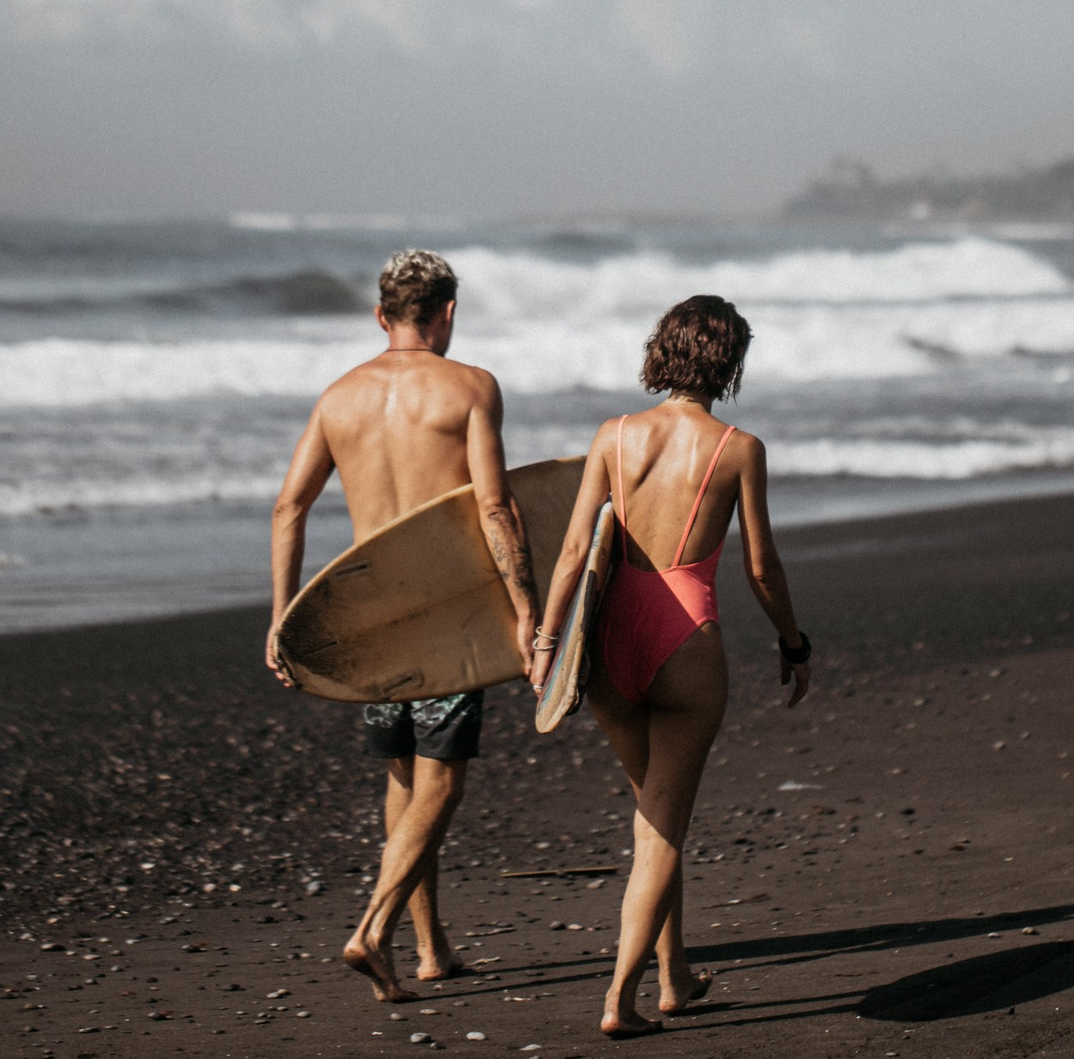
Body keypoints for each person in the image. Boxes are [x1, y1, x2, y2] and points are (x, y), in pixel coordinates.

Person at [529, 294, 812, 1039]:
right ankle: (619, 998)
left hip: (609, 642)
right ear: (730, 362)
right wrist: (793, 640)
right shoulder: (739, 447)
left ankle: (675, 976)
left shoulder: (614, 434)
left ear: (665, 350)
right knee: (662, 828)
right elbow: (761, 566)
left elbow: (569, 552)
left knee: (654, 812)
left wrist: (547, 644)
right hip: (685, 642)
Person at [267, 249, 539, 1004]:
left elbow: (289, 507)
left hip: (371, 619)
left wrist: (285, 617)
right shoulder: (471, 388)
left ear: (380, 314)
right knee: (442, 782)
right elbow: (495, 506)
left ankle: (430, 949)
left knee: (401, 775)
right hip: (447, 621)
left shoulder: (337, 397)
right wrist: (526, 611)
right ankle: (375, 927)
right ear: (447, 311)